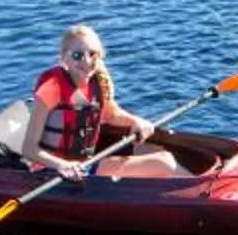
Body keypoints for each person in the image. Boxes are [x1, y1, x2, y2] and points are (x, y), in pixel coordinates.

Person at [22, 23, 175, 182]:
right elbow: (29, 149)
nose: (87, 61)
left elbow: (111, 114)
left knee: (150, 148)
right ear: (64, 58)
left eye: (92, 54)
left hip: (83, 165)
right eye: (77, 55)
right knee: (164, 162)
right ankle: (198, 197)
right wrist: (62, 165)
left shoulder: (97, 83)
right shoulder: (52, 87)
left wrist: (136, 121)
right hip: (53, 173)